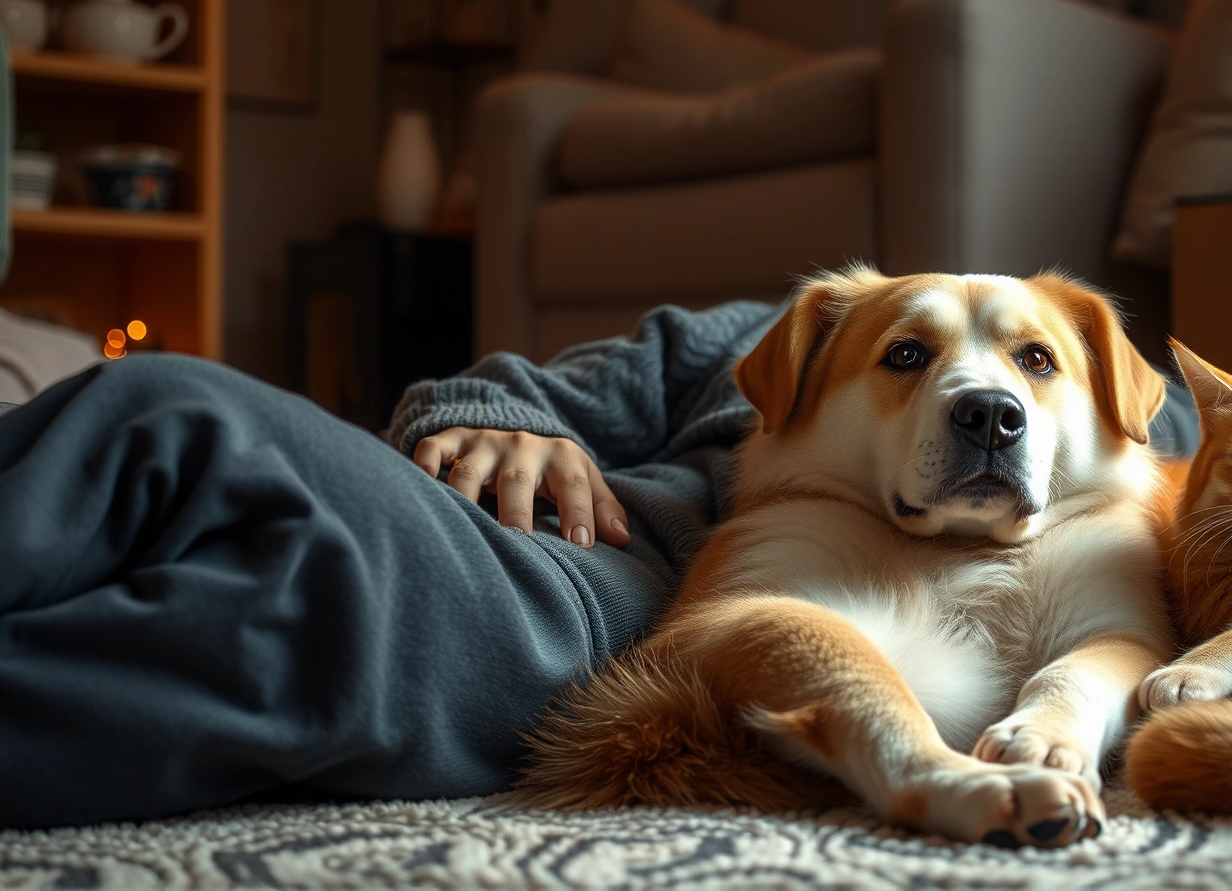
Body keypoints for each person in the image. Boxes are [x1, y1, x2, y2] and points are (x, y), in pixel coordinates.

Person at [0, 301, 781, 828]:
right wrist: (501, 425)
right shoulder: (770, 337)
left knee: (295, 610)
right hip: (483, 516)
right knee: (168, 419)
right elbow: (512, 385)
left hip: (579, 610)